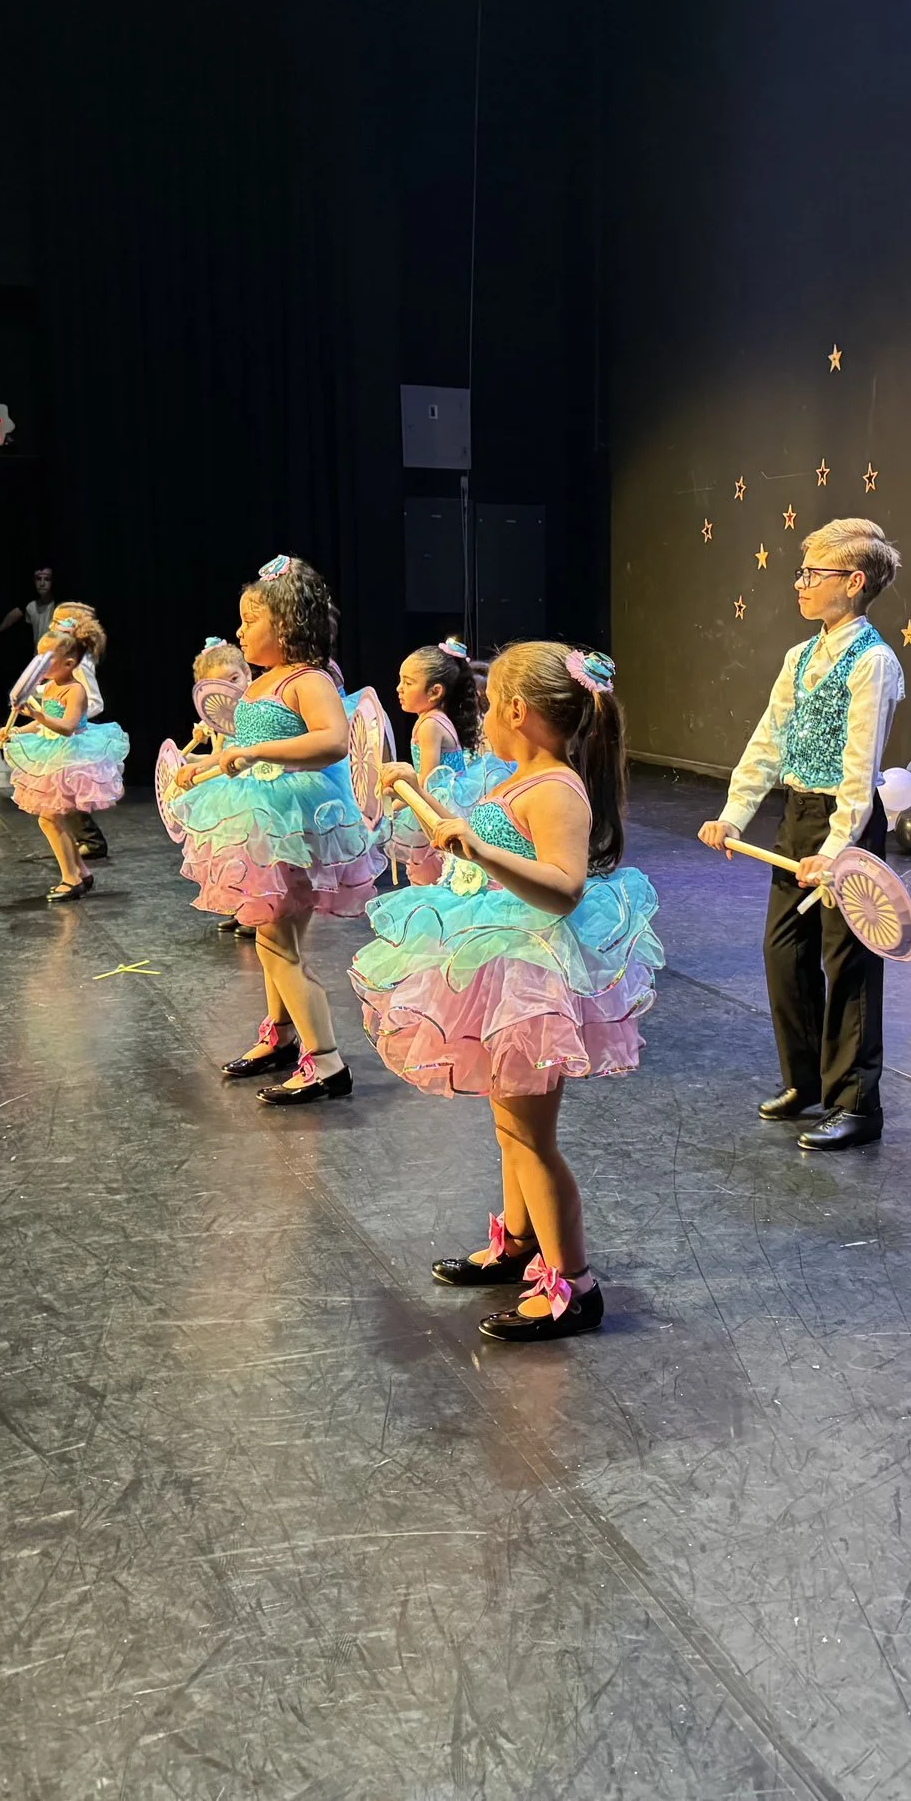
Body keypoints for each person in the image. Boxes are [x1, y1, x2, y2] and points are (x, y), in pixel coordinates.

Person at [350, 644, 660, 1342]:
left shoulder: (556, 788)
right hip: (497, 957)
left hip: (529, 970)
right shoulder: (518, 777)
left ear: (517, 711)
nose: (483, 716)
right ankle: (519, 1240)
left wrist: (481, 852)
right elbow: (472, 835)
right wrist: (419, 792)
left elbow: (564, 885)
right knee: (510, 1124)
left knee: (532, 1135)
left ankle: (575, 1285)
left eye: (490, 705)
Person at [697, 518, 907, 1153]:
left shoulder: (873, 661)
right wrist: (734, 813)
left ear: (854, 581)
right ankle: (807, 1080)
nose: (800, 584)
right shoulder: (799, 657)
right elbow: (769, 739)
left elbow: (860, 768)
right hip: (797, 818)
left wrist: (837, 850)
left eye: (813, 574)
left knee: (848, 963)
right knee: (784, 952)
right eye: (802, 572)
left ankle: (856, 1103)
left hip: (847, 823)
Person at [164, 557, 382, 1103]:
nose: (240, 632)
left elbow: (332, 741)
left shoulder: (309, 679)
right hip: (262, 817)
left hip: (292, 819)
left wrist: (256, 752)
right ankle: (281, 1034)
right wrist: (206, 766)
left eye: (249, 620)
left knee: (278, 944)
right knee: (269, 936)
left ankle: (327, 1063)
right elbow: (243, 751)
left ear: (284, 625)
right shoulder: (264, 682)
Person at [0, 628, 127, 900]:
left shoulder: (75, 690)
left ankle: (71, 878)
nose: (38, 664)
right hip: (53, 755)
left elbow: (67, 726)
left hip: (70, 758)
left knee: (49, 818)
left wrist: (36, 714)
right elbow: (43, 724)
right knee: (52, 818)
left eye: (46, 660)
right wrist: (16, 731)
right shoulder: (49, 688)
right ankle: (80, 872)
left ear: (68, 664)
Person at [385, 637, 483, 885]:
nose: (399, 688)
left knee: (430, 872)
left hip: (438, 804)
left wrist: (392, 807)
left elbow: (425, 781)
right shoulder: (431, 719)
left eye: (408, 683)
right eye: (400, 680)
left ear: (435, 691)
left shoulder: (430, 724)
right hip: (440, 800)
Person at [186, 637, 259, 936]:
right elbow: (217, 756)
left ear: (248, 673)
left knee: (252, 852)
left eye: (234, 679)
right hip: (226, 791)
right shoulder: (219, 720)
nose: (230, 689)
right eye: (219, 685)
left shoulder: (254, 709)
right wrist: (191, 761)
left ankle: (256, 913)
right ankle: (240, 908)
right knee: (229, 854)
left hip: (252, 789)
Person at [0, 565, 59, 654]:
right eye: (38, 579)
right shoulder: (31, 607)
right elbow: (14, 615)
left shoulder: (60, 607)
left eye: (47, 579)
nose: (42, 583)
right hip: (38, 655)